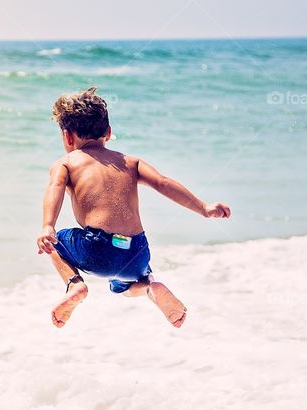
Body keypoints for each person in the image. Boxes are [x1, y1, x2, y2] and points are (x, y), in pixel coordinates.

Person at [37, 87, 231, 329]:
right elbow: (164, 182)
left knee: (54, 243)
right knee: (125, 285)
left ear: (67, 137)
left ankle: (74, 284)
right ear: (108, 132)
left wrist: (48, 226)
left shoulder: (66, 163)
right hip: (136, 251)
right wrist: (204, 208)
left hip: (97, 250)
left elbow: (55, 187)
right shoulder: (131, 162)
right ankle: (150, 288)